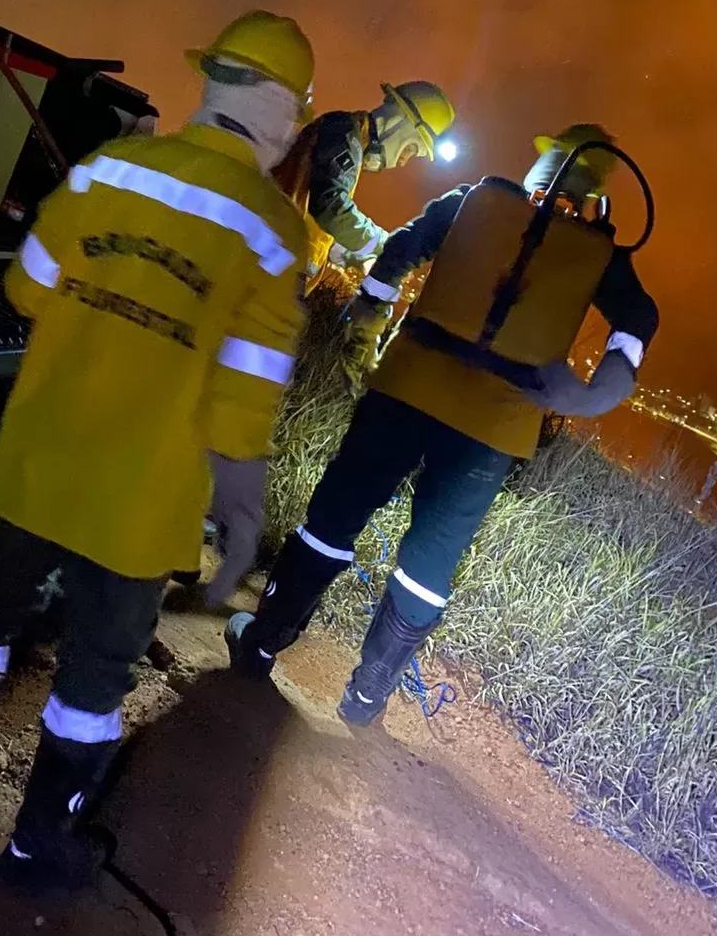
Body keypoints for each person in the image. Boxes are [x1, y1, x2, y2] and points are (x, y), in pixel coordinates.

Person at [0, 11, 313, 888]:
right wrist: (241, 521)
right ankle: (34, 847)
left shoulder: (111, 167)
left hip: (36, 469)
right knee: (93, 682)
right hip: (138, 510)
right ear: (281, 112)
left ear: (213, 84)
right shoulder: (274, 234)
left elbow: (25, 288)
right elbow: (242, 412)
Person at [226, 123, 659, 727]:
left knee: (334, 516)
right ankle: (367, 697)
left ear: (544, 164)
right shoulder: (600, 255)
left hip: (407, 388)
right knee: (431, 561)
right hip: (492, 428)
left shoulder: (474, 199)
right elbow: (639, 318)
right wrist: (594, 394)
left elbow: (402, 248)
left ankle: (263, 642)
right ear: (593, 193)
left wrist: (369, 315)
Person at [273, 81, 456, 381]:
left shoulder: (348, 140)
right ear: (398, 123)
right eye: (411, 149)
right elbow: (330, 206)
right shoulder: (343, 131)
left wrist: (349, 255)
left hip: (278, 266)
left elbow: (314, 218)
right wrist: (386, 245)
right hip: (274, 268)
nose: (403, 161)